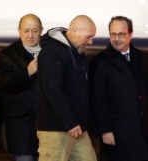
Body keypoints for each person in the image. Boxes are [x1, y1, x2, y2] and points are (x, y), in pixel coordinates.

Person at [89, 16, 148, 161]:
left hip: (142, 128)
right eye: (113, 34)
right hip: (117, 132)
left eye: (121, 34)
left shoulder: (141, 57)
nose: (117, 38)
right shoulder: (100, 62)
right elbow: (98, 100)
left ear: (130, 34)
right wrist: (105, 130)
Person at [36, 15, 97, 161]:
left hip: (78, 128)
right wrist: (70, 121)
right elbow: (53, 91)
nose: (91, 41)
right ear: (75, 30)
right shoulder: (52, 52)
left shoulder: (75, 52)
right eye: (88, 36)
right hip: (56, 129)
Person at [0, 13, 43, 161]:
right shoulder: (8, 55)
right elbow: (2, 83)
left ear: (41, 31)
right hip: (21, 126)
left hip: (47, 126)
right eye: (26, 31)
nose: (30, 35)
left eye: (34, 31)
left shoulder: (50, 52)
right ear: (19, 31)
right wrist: (27, 72)